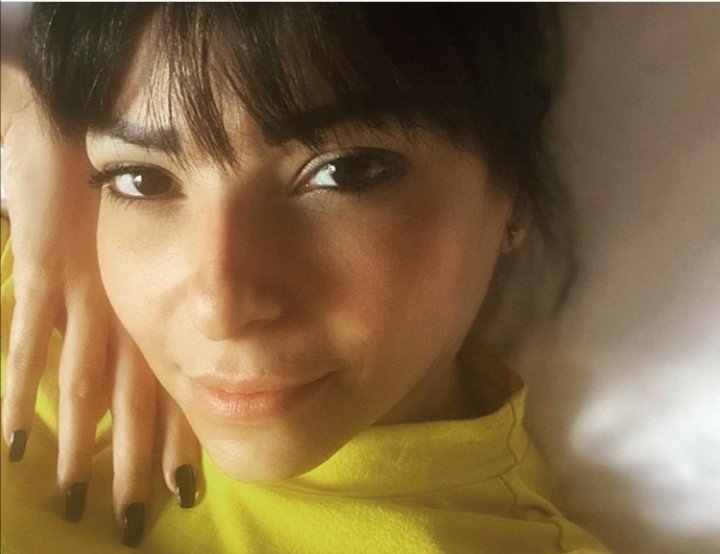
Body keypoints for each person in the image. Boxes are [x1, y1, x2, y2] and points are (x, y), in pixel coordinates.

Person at [1, 3, 608, 552]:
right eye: (142, 179)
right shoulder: (34, 271)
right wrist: (28, 117)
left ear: (513, 189)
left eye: (345, 173)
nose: (220, 310)